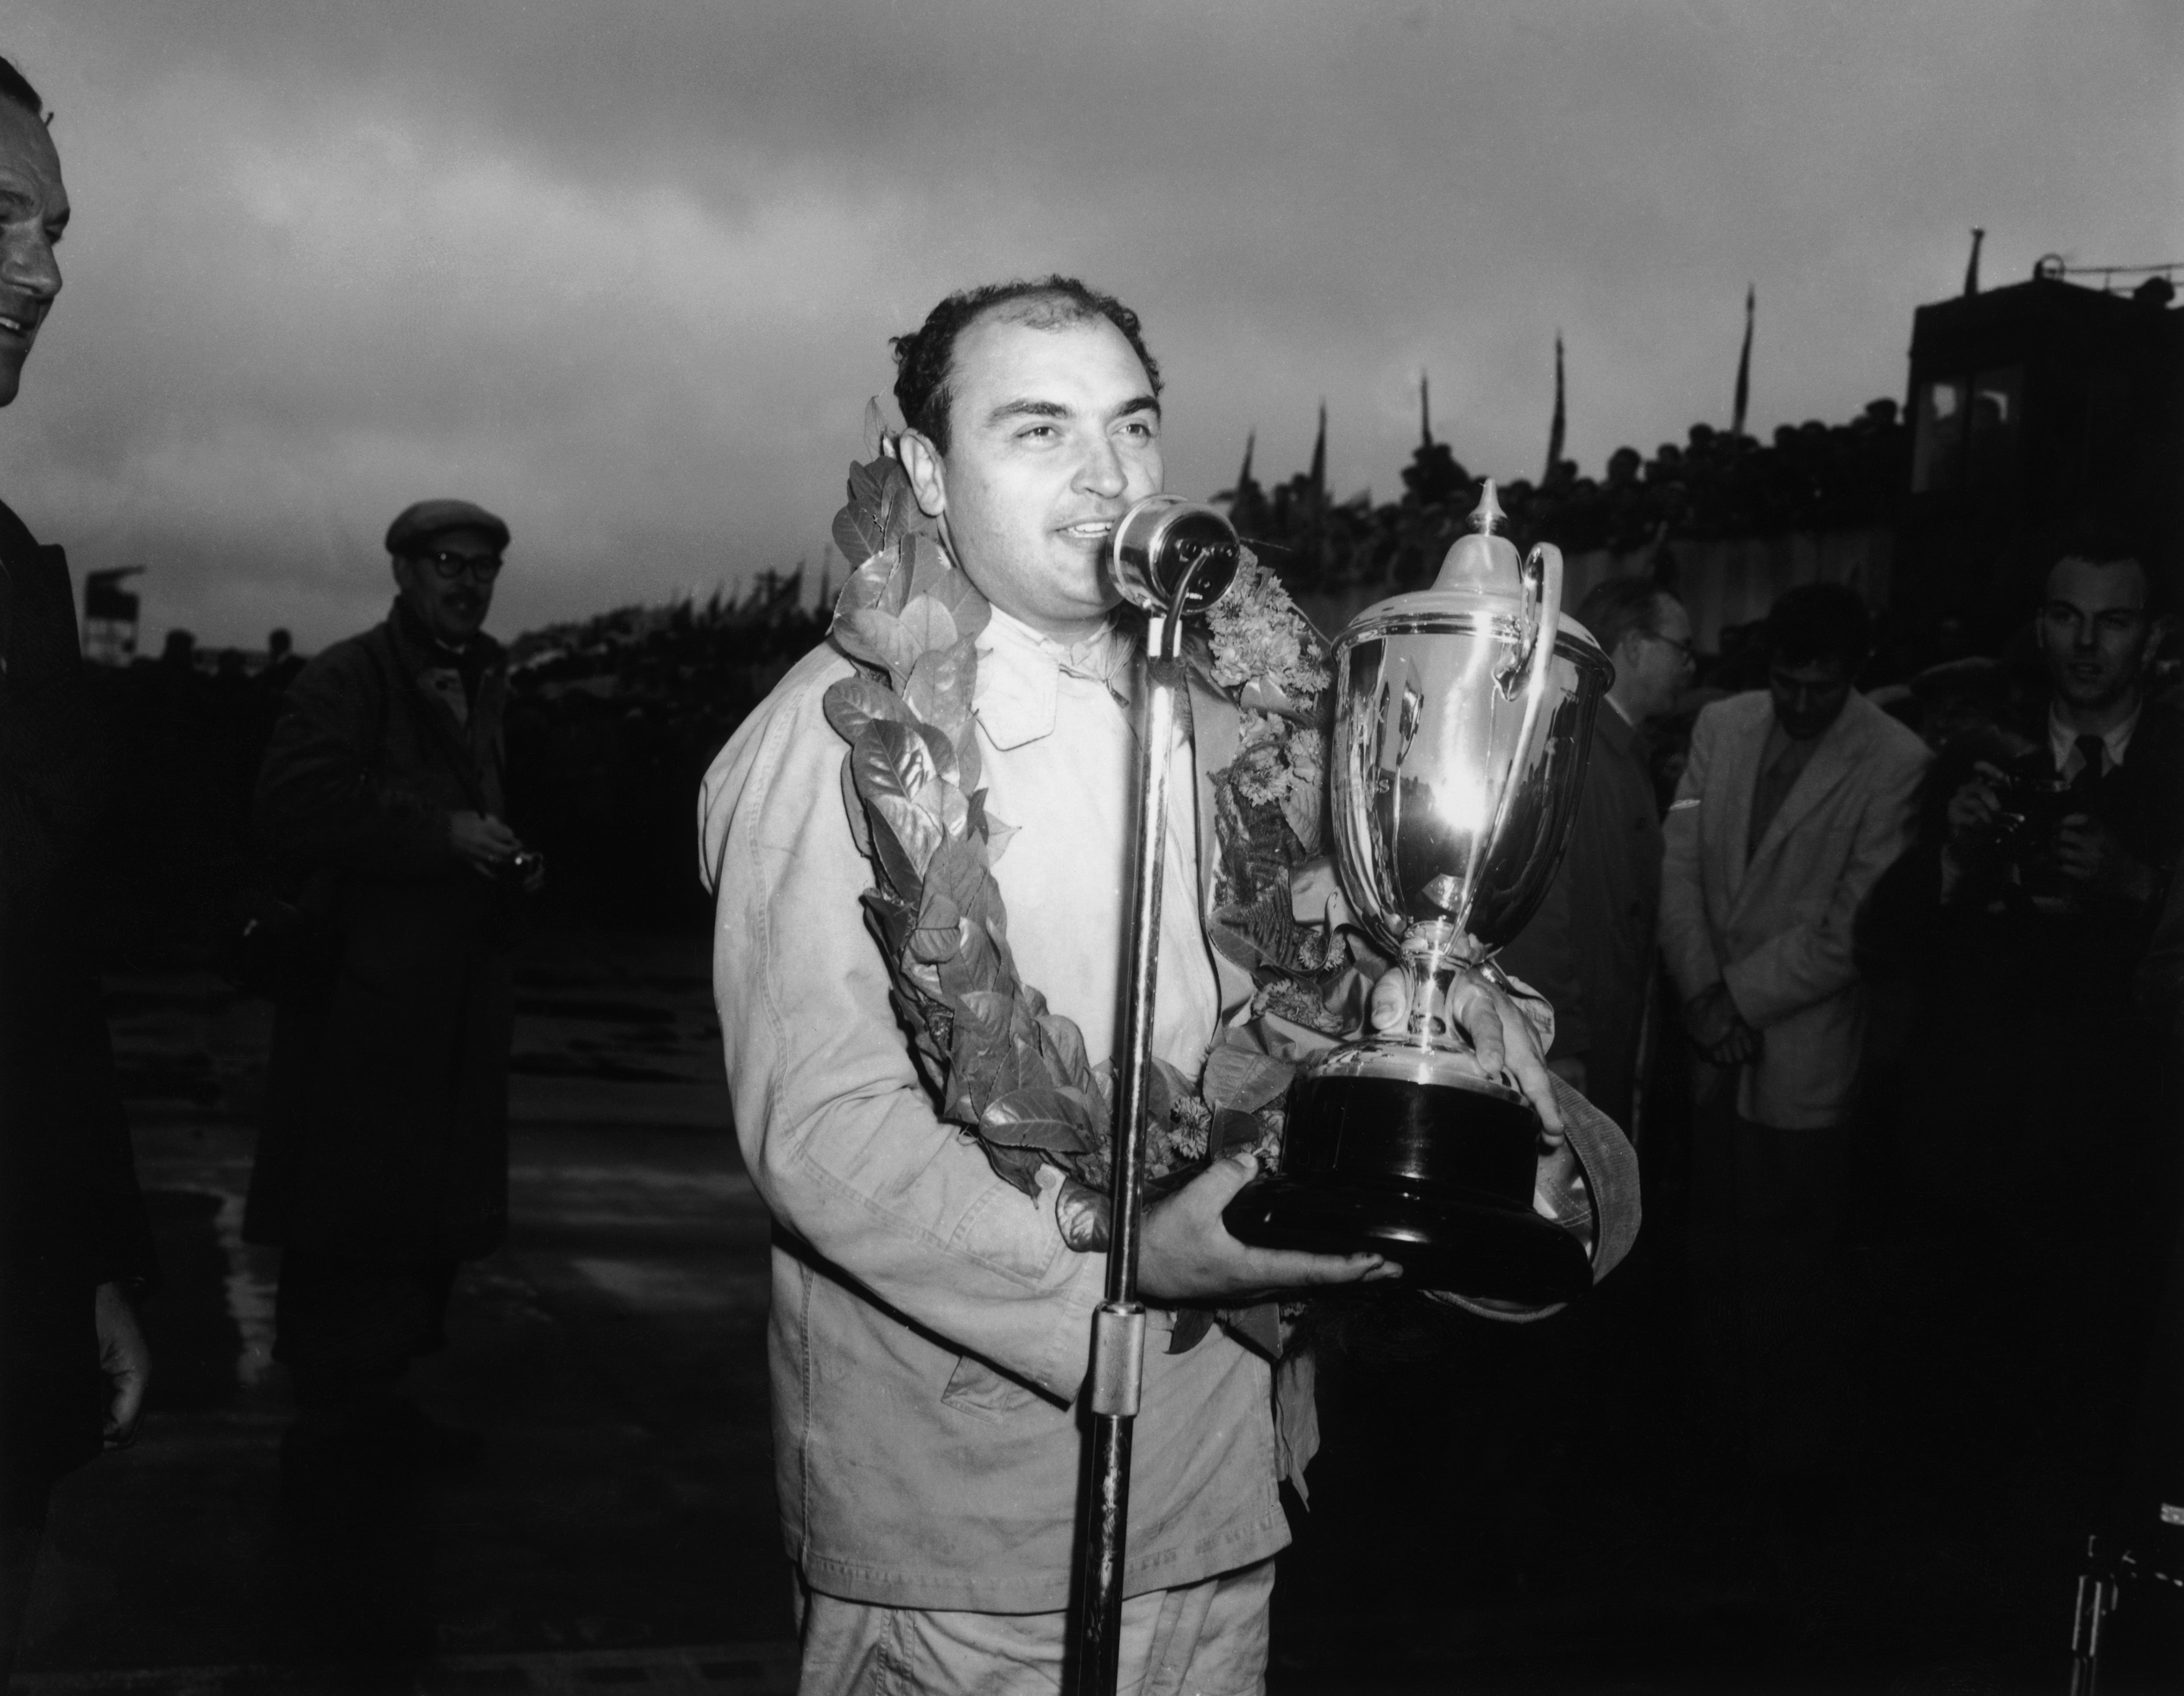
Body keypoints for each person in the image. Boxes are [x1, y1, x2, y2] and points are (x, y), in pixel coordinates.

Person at [700, 277, 1637, 1694]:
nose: (1105, 476)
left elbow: (1318, 990)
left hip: (1216, 1481)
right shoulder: (828, 744)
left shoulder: (1225, 718)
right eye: (1037, 429)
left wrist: (1440, 1024)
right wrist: (1125, 1269)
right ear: (923, 472)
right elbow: (823, 1133)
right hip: (976, 1507)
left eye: (1131, 426)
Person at [1857, 541, 2182, 1477]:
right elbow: (1880, 940)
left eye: (2113, 620)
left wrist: (2137, 883)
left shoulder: (2175, 773)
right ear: (2040, 626)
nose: (2087, 642)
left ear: (2150, 636)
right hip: (1971, 1165)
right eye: (2068, 616)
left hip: (2113, 1165)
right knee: (1958, 1430)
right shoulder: (1973, 767)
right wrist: (1955, 862)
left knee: (2084, 1434)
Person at [245, 497, 539, 1472]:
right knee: (350, 1212)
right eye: (448, 562)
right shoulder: (350, 675)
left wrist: (511, 854)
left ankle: (382, 1401)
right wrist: (439, 832)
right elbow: (292, 804)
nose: (467, 581)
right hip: (366, 999)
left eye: (484, 566)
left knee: (423, 1214)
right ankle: (336, 1419)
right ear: (403, 572)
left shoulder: (485, 676)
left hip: (449, 997)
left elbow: (484, 798)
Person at [0, 55, 157, 1680]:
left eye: (52, 227)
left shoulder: (14, 578)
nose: (40, 269)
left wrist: (93, 1265)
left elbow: (44, 980)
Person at [1658, 582, 1926, 1523]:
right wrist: (1699, 993)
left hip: (1803, 1055)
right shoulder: (1724, 727)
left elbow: (1856, 930)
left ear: (1857, 674)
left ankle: (1789, 1482)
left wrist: (1732, 997)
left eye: (1822, 686)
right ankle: (1708, 1456)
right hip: (1709, 1041)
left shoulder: (1899, 760)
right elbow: (1681, 866)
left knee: (1795, 1281)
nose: (1801, 703)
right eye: (1785, 682)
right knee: (1711, 1265)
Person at [1497, 576, 1693, 1132]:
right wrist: (1557, 1040)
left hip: (1605, 1026)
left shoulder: (1619, 748)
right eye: (1682, 650)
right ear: (1633, 645)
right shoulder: (1568, 744)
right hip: (1577, 1041)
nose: (1689, 669)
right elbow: (1536, 903)